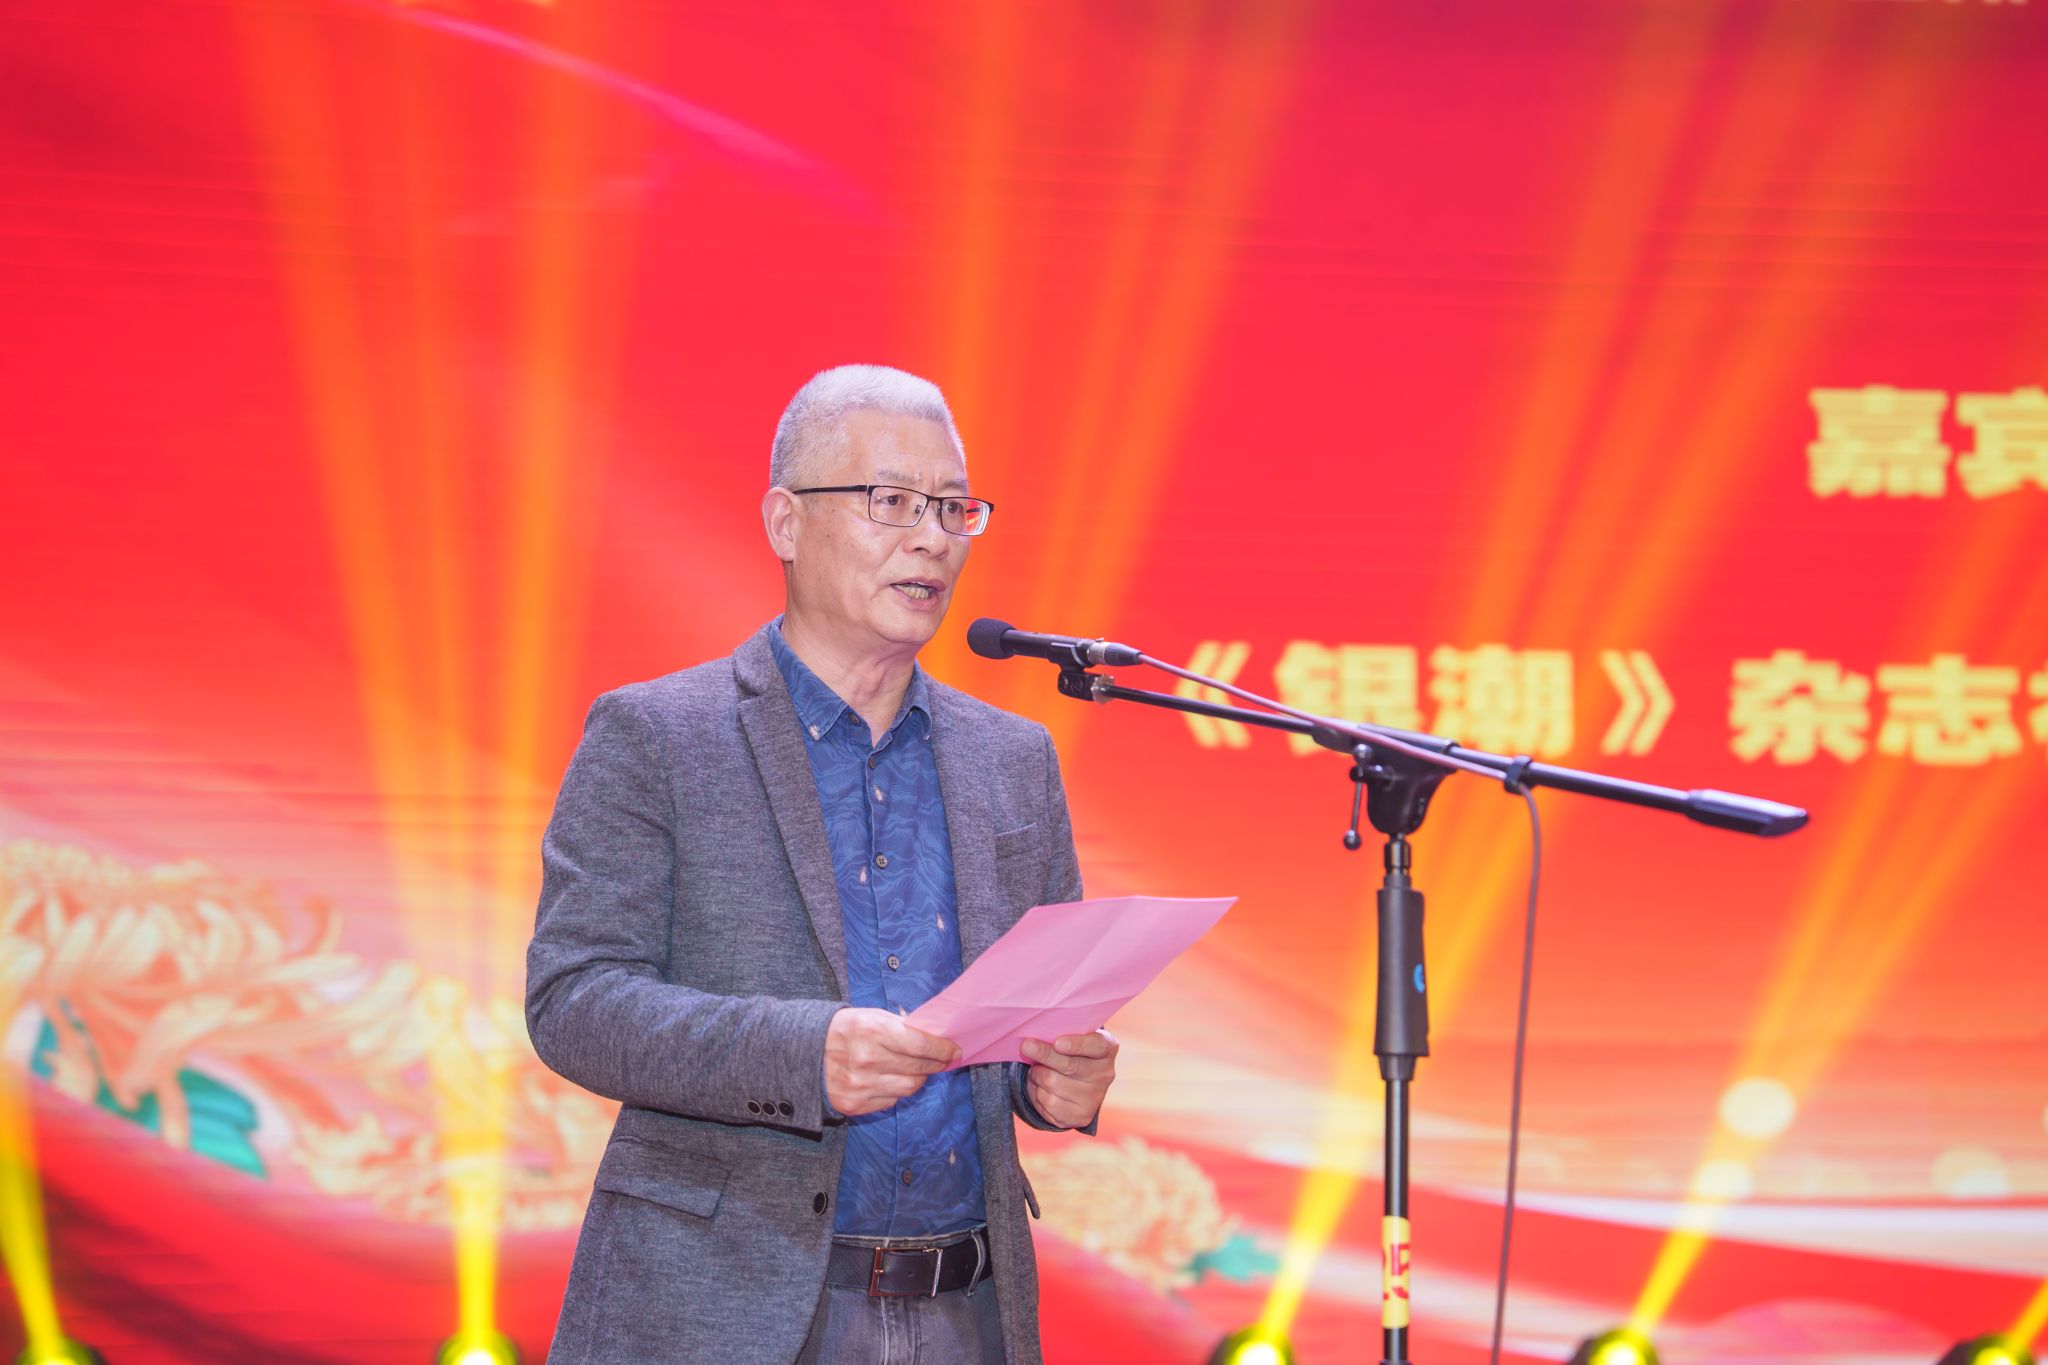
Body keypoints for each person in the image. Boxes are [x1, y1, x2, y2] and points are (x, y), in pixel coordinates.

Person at [525, 364, 1118, 1365]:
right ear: (786, 522)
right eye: (892, 500)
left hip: (968, 1308)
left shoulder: (1011, 759)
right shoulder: (658, 736)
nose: (931, 538)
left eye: (953, 508)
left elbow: (1038, 1016)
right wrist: (803, 1053)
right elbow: (573, 1001)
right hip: (727, 1313)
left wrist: (1059, 1080)